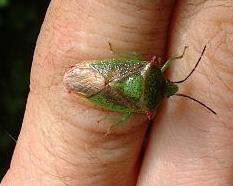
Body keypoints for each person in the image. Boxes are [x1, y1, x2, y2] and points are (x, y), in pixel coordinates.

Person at [1, 1, 233, 185]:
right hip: (120, 97)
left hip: (119, 70)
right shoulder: (146, 104)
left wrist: (176, 56)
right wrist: (113, 126)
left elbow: (163, 60)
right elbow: (127, 114)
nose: (172, 88)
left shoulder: (149, 69)